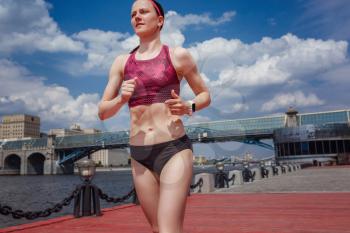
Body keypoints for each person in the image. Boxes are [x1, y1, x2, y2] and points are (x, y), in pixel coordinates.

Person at [98, 0, 211, 232]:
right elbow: (102, 112)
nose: (136, 17)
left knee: (169, 229)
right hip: (140, 155)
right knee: (158, 228)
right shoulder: (121, 62)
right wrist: (121, 99)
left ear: (159, 20)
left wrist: (189, 105)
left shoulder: (178, 55)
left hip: (174, 149)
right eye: (133, 14)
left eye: (143, 11)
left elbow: (205, 95)